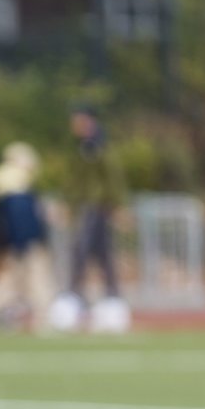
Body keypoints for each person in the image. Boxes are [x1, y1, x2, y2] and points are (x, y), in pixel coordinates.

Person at [51, 106, 130, 333]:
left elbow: (111, 177)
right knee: (87, 255)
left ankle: (106, 300)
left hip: (95, 208)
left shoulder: (98, 146)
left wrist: (117, 205)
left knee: (91, 254)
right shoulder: (80, 147)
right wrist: (66, 203)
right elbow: (73, 181)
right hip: (85, 207)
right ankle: (81, 300)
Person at [0, 142, 57, 331]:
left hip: (18, 244)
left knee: (12, 283)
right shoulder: (17, 185)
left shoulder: (4, 183)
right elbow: (22, 221)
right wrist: (23, 245)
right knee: (35, 283)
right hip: (25, 245)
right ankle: (42, 319)